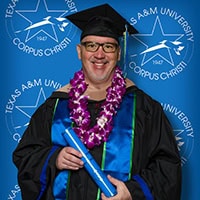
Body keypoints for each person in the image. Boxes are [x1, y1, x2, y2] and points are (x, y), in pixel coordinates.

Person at [13, 3, 182, 200]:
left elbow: (168, 167)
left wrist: (131, 191)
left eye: (108, 46)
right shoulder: (54, 107)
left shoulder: (145, 109)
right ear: (79, 51)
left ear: (118, 53)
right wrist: (54, 159)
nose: (99, 54)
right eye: (91, 45)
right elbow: (25, 156)